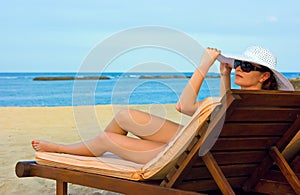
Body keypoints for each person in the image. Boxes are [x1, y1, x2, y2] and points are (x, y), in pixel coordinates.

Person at [32, 46, 294, 164]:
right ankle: (90, 149)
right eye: (238, 64)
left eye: (246, 67)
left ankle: (64, 149)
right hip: (204, 148)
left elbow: (184, 105)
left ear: (264, 76)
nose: (239, 69)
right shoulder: (266, 106)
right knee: (126, 116)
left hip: (192, 158)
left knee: (107, 139)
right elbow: (227, 114)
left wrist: (204, 65)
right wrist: (225, 75)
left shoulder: (242, 104)